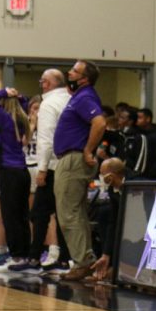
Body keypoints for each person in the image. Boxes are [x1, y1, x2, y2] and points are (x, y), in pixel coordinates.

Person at [53, 60, 106, 281]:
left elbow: (100, 123)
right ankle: (85, 260)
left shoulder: (85, 97)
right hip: (71, 158)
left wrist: (88, 150)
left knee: (68, 213)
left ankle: (82, 262)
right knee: (77, 212)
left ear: (83, 79)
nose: (69, 73)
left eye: (74, 71)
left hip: (74, 159)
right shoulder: (79, 96)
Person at [0, 88, 33, 272]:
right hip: (22, 171)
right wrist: (18, 96)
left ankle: (17, 257)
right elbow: (25, 101)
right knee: (21, 215)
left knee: (10, 216)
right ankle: (24, 256)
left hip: (9, 171)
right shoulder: (21, 118)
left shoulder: (5, 119)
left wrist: (5, 91)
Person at [28, 69, 71, 271]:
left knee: (40, 213)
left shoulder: (49, 104)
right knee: (65, 213)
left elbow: (45, 139)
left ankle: (34, 257)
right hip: (70, 163)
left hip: (53, 166)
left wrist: (42, 169)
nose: (41, 84)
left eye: (42, 81)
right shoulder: (71, 100)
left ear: (47, 84)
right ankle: (65, 257)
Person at [136, 108, 156, 180]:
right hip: (139, 175)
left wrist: (149, 174)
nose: (137, 120)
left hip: (152, 177)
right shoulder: (138, 135)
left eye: (140, 118)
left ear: (148, 119)